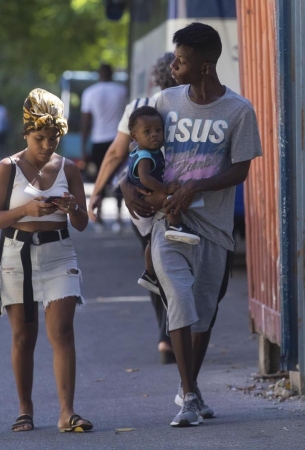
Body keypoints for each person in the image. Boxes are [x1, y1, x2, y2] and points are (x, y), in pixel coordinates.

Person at [122, 22, 262, 427]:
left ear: (205, 67)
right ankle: (187, 399)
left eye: (182, 62)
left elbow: (240, 171)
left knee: (203, 312)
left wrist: (198, 184)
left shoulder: (238, 111)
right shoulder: (165, 100)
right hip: (169, 222)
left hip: (213, 228)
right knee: (180, 300)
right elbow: (138, 154)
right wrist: (125, 188)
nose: (174, 68)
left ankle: (191, 390)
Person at [0, 88, 92, 433]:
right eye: (40, 138)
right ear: (26, 134)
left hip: (59, 252)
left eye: (54, 137)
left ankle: (66, 412)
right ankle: (25, 409)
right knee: (23, 336)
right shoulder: (8, 168)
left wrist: (71, 206)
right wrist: (26, 210)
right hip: (16, 256)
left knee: (61, 331)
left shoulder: (69, 168)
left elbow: (82, 223)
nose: (47, 145)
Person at [89, 53, 178, 363]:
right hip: (182, 198)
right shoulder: (190, 106)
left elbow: (115, 153)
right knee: (184, 267)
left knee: (156, 263)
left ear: (154, 79)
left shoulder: (139, 105)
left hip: (142, 201)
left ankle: (166, 335)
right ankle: (182, 332)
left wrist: (98, 192)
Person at [125, 105, 201, 294]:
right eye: (147, 132)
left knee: (151, 241)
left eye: (158, 130)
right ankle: (176, 224)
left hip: (144, 198)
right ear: (135, 136)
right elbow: (145, 178)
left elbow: (129, 147)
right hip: (145, 198)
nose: (154, 135)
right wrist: (166, 188)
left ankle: (149, 274)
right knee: (170, 199)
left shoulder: (136, 147)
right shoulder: (145, 156)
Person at [80, 63, 127, 231]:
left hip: (98, 141)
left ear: (98, 74)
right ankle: (119, 217)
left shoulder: (90, 93)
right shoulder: (122, 91)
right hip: (118, 140)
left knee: (100, 178)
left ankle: (98, 215)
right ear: (112, 74)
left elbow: (86, 123)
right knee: (119, 178)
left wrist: (83, 148)